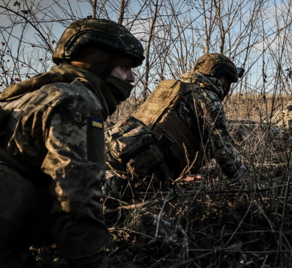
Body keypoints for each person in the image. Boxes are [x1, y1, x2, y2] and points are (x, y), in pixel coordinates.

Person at [0, 17, 144, 267]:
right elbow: (77, 204)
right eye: (125, 67)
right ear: (99, 63)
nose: (131, 78)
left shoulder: (25, 96)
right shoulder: (77, 101)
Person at [109, 53, 246, 181]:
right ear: (221, 78)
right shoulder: (207, 98)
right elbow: (224, 151)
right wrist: (245, 182)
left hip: (119, 156)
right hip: (149, 171)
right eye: (227, 82)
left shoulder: (169, 87)